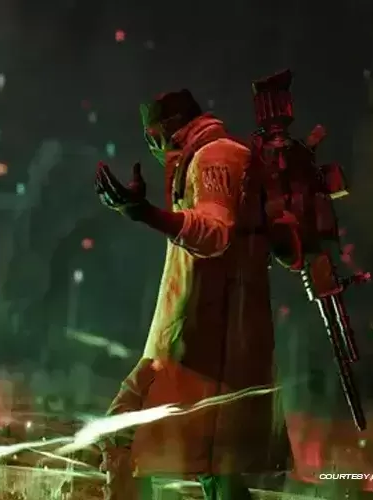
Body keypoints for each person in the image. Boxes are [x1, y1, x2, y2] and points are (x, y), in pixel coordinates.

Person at [94, 90, 290, 500]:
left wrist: (146, 213)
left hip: (203, 345)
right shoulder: (207, 157)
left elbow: (215, 232)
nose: (152, 147)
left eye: (152, 136)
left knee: (125, 437)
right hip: (197, 340)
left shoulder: (217, 156)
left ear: (168, 129)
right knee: (214, 467)